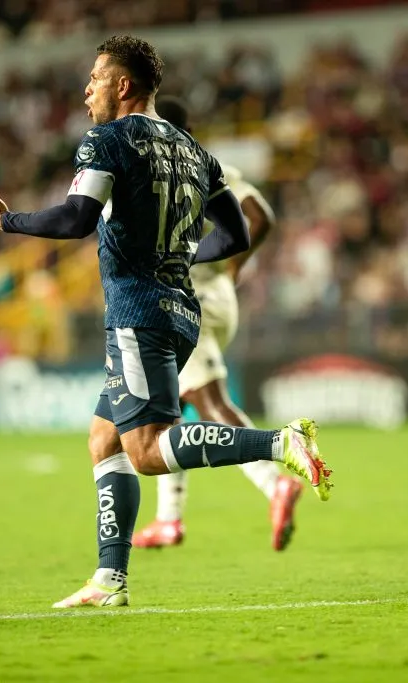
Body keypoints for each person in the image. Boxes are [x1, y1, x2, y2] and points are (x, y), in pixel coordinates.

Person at [0, 36, 333, 608]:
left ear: (122, 85)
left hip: (137, 312)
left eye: (94, 78)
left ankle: (280, 443)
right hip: (182, 311)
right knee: (103, 437)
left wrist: (7, 222)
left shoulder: (108, 140)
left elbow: (77, 218)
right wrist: (181, 257)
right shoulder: (194, 150)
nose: (86, 90)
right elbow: (236, 235)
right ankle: (109, 579)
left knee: (146, 450)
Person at [132, 96, 302, 552]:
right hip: (215, 296)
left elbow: (259, 220)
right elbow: (259, 216)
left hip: (189, 301)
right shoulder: (210, 165)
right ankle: (168, 519)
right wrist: (233, 266)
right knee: (169, 404)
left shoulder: (155, 173)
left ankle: (275, 483)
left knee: (208, 399)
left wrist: (192, 260)